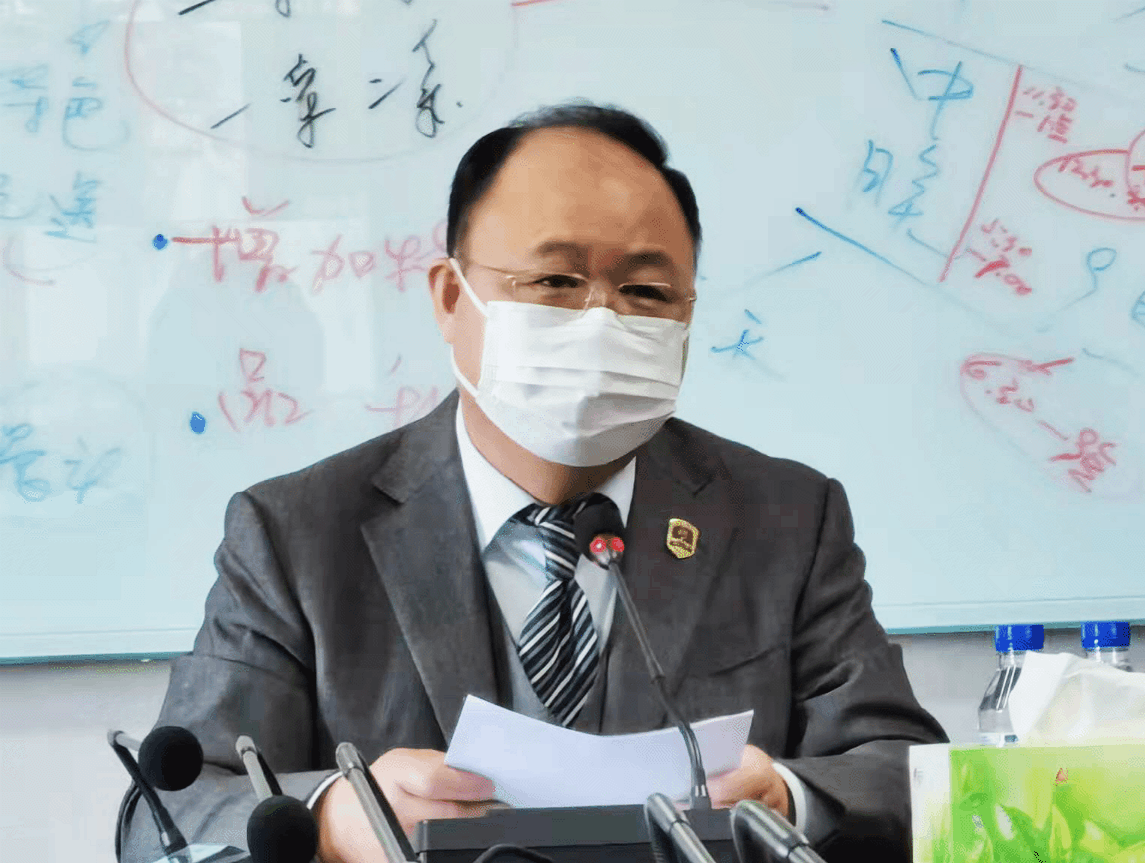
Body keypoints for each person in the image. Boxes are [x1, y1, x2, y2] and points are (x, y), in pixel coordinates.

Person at [118, 103, 947, 863]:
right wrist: (333, 817)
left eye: (646, 291)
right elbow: (163, 814)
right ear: (451, 297)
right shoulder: (296, 533)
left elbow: (910, 775)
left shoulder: (785, 518)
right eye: (554, 281)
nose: (601, 319)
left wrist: (790, 796)